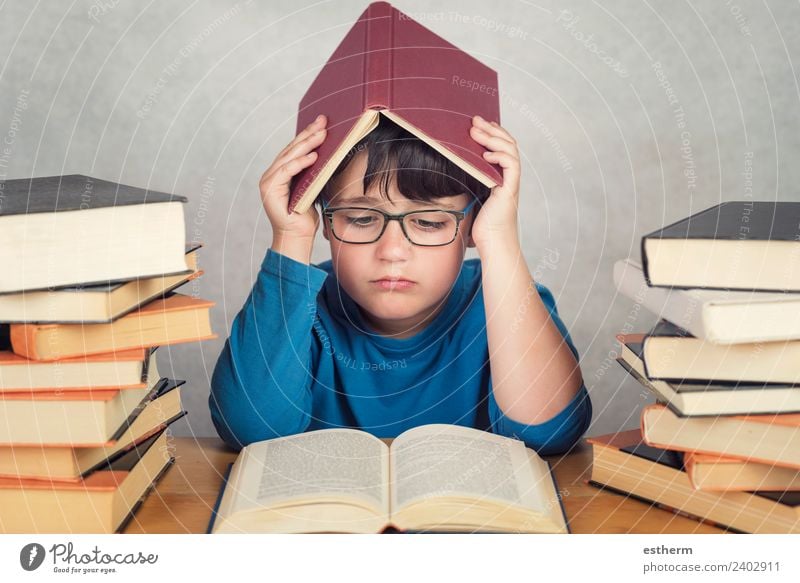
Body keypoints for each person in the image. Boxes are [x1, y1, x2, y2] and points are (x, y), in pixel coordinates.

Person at [209, 112, 591, 455]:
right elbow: (250, 429)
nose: (392, 251)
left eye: (428, 222)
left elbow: (551, 432)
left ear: (472, 225)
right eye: (360, 219)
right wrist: (290, 236)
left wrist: (501, 237)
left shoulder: (505, 305)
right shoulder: (301, 312)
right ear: (325, 222)